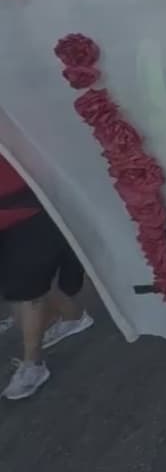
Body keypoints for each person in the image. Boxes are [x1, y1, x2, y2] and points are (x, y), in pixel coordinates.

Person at [0, 155, 93, 399]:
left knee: (26, 291)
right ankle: (73, 317)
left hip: (25, 207)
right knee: (18, 285)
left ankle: (33, 365)